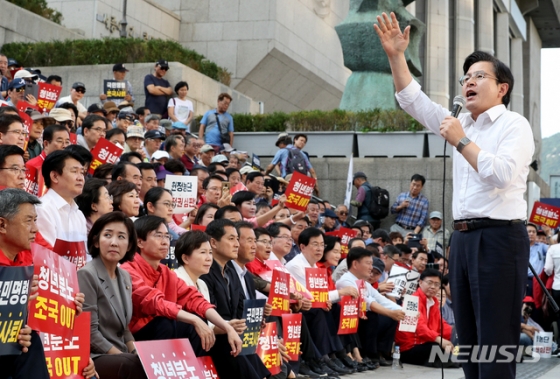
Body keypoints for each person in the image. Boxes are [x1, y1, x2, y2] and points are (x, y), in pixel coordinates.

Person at [375, 12, 533, 379]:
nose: (469, 83)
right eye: (465, 78)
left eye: (479, 76)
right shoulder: (458, 121)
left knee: (496, 339)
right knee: (469, 340)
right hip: (461, 241)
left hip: (498, 238)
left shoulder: (514, 125)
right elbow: (413, 100)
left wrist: (461, 140)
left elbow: (501, 173)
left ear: (502, 88)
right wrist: (396, 56)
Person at [0, 189, 94, 379]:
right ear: (2, 224)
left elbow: (46, 320)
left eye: (35, 220)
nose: (36, 229)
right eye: (28, 221)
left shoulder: (35, 260)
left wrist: (67, 307)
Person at [120, 216, 242, 354]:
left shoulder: (166, 272)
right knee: (171, 322)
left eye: (167, 236)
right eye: (158, 236)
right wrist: (194, 319)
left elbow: (194, 298)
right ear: (140, 242)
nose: (165, 242)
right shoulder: (127, 270)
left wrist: (228, 328)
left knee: (197, 324)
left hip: (164, 331)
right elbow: (153, 302)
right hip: (136, 337)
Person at [77, 212, 147, 379]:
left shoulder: (125, 276)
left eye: (121, 237)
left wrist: (136, 352)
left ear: (130, 245)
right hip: (96, 356)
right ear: (96, 241)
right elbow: (90, 333)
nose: (114, 242)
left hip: (121, 353)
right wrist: (125, 356)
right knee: (134, 365)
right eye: (107, 235)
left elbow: (125, 329)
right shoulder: (87, 274)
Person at [35, 149, 88, 267]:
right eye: (74, 171)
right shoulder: (42, 209)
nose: (81, 178)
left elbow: (84, 257)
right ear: (54, 176)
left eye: (82, 173)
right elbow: (46, 256)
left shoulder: (79, 214)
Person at [395, 269, 453, 367]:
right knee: (436, 347)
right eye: (429, 283)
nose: (433, 287)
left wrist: (455, 334)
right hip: (409, 348)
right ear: (420, 282)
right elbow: (420, 328)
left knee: (456, 344)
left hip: (427, 343)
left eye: (436, 284)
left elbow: (442, 325)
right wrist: (439, 339)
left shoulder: (433, 302)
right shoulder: (411, 301)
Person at [25, 124, 71, 196]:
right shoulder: (32, 165)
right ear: (46, 144)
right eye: (60, 141)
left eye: (67, 142)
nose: (64, 145)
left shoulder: (68, 167)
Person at [526, 222, 549, 297]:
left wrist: (549, 235)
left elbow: (554, 249)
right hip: (523, 280)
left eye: (533, 232)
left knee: (537, 306)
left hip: (538, 281)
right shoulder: (519, 247)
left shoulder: (541, 246)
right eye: (529, 231)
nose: (531, 233)